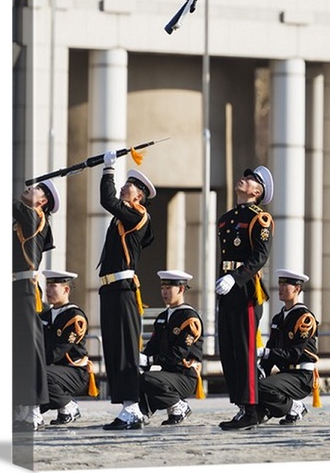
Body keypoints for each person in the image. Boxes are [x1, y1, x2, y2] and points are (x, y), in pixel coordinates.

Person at [97, 152, 157, 431]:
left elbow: (107, 200)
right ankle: (127, 408)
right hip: (111, 288)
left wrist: (108, 169)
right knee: (114, 348)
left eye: (129, 185)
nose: (123, 186)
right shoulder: (129, 218)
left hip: (123, 289)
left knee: (124, 349)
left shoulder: (136, 215)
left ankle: (132, 408)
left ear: (139, 197)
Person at [216, 165, 275, 430]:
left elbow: (260, 256)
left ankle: (251, 409)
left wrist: (235, 278)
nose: (244, 179)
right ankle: (242, 406)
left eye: (251, 180)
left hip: (245, 290)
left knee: (245, 350)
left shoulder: (259, 218)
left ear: (257, 191)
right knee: (228, 351)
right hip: (227, 289)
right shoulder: (227, 219)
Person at [241, 269, 321, 429]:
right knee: (248, 382)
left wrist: (264, 352)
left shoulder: (304, 318)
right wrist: (260, 370)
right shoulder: (278, 318)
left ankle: (293, 407)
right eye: (280, 284)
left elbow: (294, 354)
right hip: (285, 374)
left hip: (301, 376)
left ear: (297, 288)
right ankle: (257, 413)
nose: (281, 288)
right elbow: (271, 349)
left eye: (286, 285)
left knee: (262, 388)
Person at [12, 179, 61, 431]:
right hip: (14, 290)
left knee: (31, 351)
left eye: (37, 189)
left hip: (25, 291)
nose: (30, 188)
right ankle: (20, 405)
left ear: (42, 202)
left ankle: (33, 408)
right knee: (17, 350)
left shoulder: (35, 218)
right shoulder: (24, 218)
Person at [137, 270, 205, 427]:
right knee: (136, 374)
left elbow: (179, 352)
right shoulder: (163, 316)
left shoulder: (189, 317)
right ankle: (143, 411)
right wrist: (140, 359)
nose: (164, 292)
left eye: (168, 288)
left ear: (180, 289)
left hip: (185, 375)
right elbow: (153, 346)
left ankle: (178, 406)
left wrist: (151, 360)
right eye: (162, 288)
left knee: (148, 379)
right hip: (168, 374)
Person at [39, 269, 95, 427]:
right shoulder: (44, 316)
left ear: (66, 289)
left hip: (75, 373)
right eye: (47, 286)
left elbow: (56, 353)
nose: (48, 290)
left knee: (37, 373)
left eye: (53, 286)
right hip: (53, 370)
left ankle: (68, 406)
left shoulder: (74, 317)